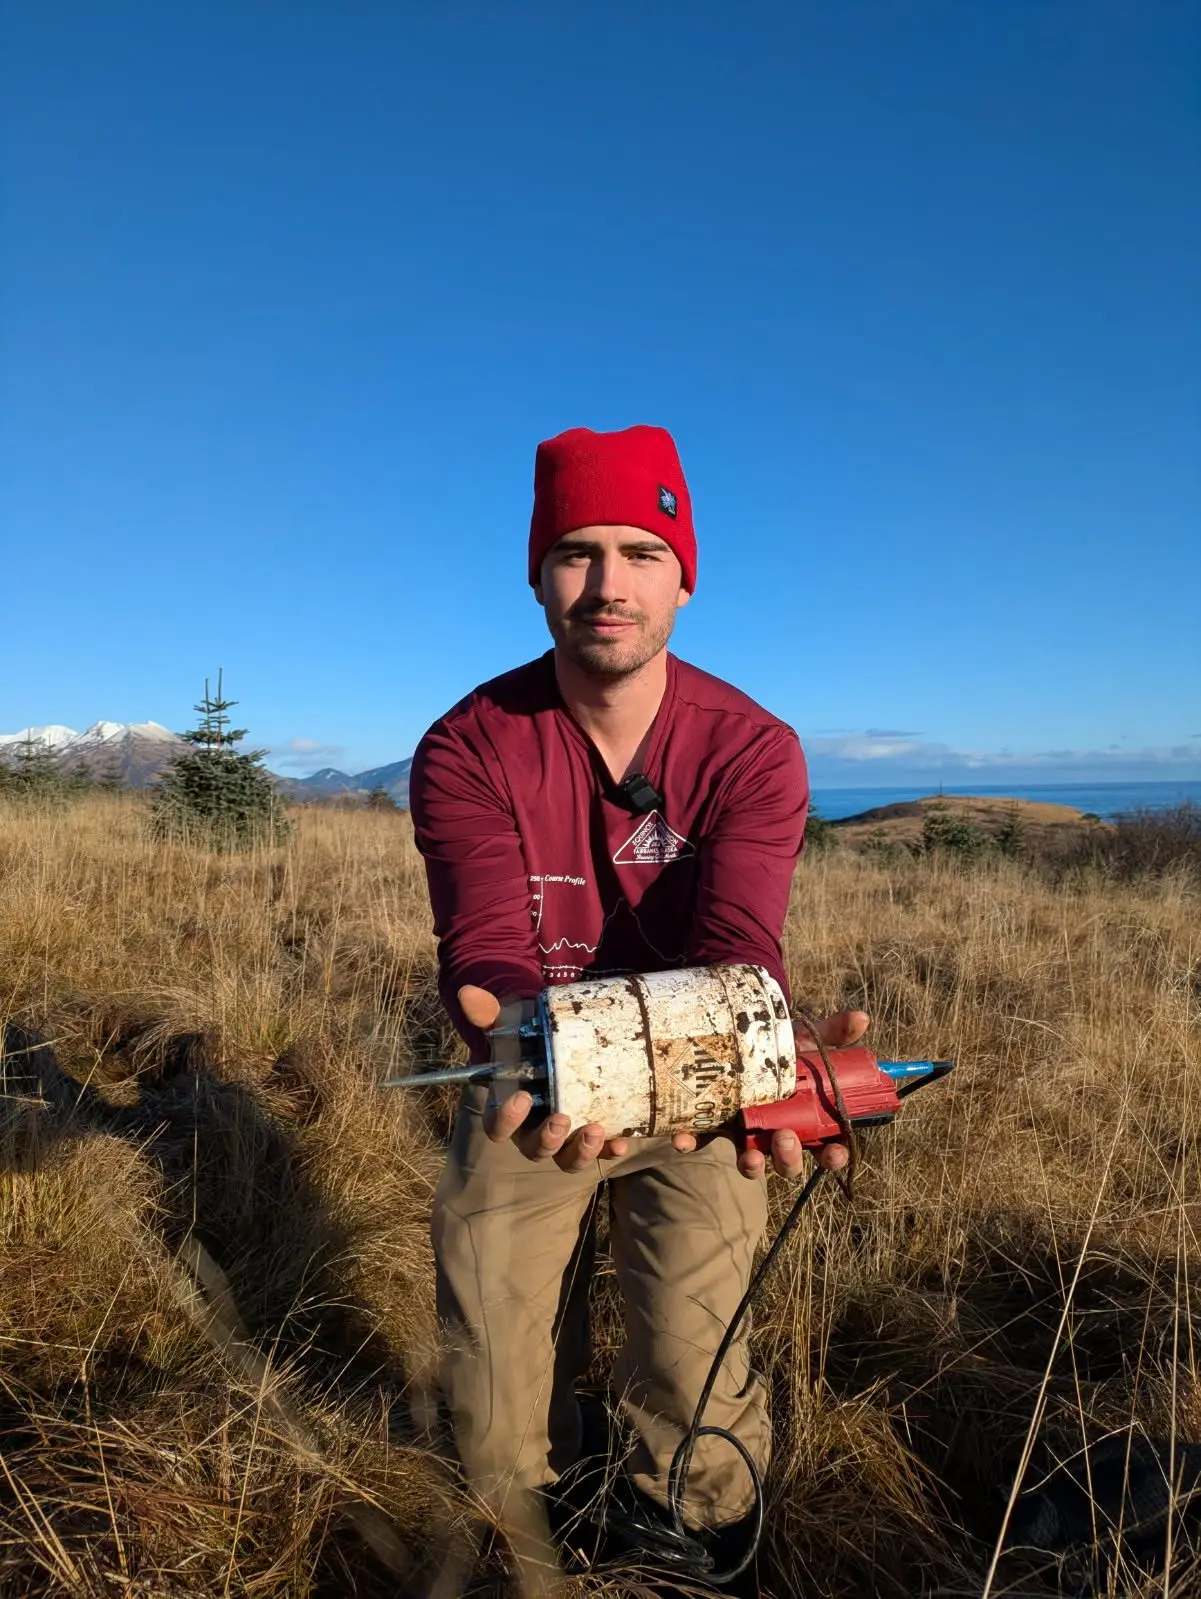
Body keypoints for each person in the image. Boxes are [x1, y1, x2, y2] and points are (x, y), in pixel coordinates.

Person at [409, 424, 867, 1581]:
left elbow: (737, 946)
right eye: (574, 552)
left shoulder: (752, 749)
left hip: (702, 1085)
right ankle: (521, 1531)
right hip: (532, 1082)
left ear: (683, 574)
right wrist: (516, 1047)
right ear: (536, 572)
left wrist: (767, 1055)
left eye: (637, 552)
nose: (606, 585)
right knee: (493, 1344)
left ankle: (698, 1535)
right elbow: (487, 949)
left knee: (692, 1340)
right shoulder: (469, 745)